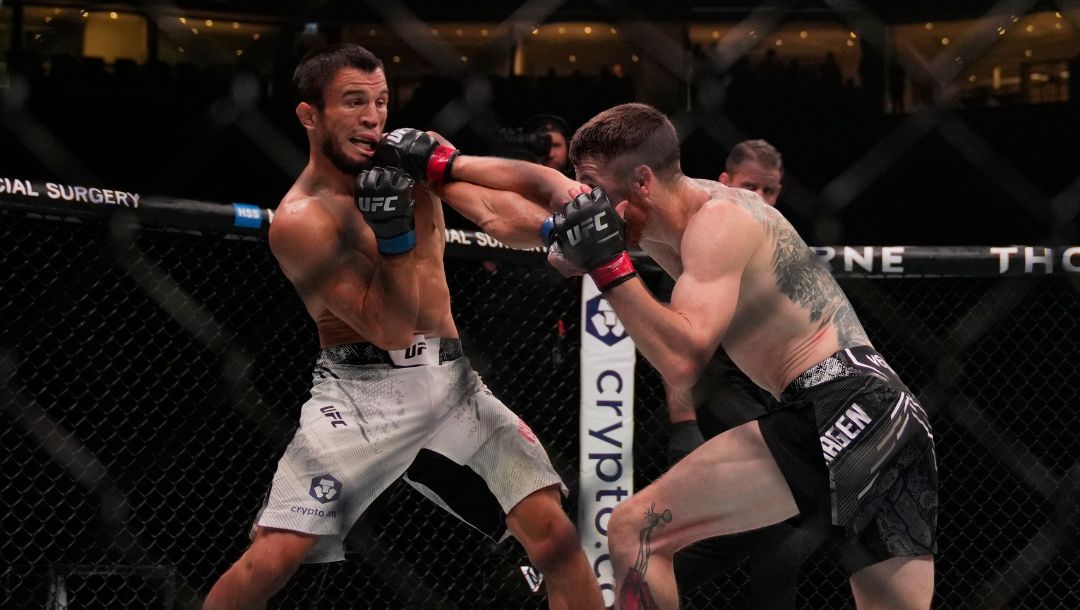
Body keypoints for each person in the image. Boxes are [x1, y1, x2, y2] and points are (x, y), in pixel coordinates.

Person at [450, 103, 938, 609]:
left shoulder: (719, 221)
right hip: (862, 414)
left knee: (637, 530)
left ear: (641, 180)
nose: (587, 200)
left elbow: (684, 360)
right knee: (637, 531)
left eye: (596, 186)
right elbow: (535, 196)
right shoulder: (653, 216)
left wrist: (609, 265)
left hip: (851, 402)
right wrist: (443, 165)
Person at [203, 43, 602, 610]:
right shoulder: (302, 219)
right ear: (308, 114)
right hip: (364, 393)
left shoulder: (408, 161)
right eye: (354, 102)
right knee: (275, 554)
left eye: (381, 102)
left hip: (452, 379)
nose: (372, 117)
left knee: (557, 539)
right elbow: (388, 329)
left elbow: (494, 214)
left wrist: (553, 225)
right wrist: (395, 238)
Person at [664, 139, 822, 609]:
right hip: (720, 396)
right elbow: (674, 345)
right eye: (750, 186)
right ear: (725, 182)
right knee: (777, 518)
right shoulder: (701, 236)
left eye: (770, 190)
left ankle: (637, 587)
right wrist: (683, 425)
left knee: (762, 528)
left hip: (773, 398)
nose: (760, 198)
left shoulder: (776, 240)